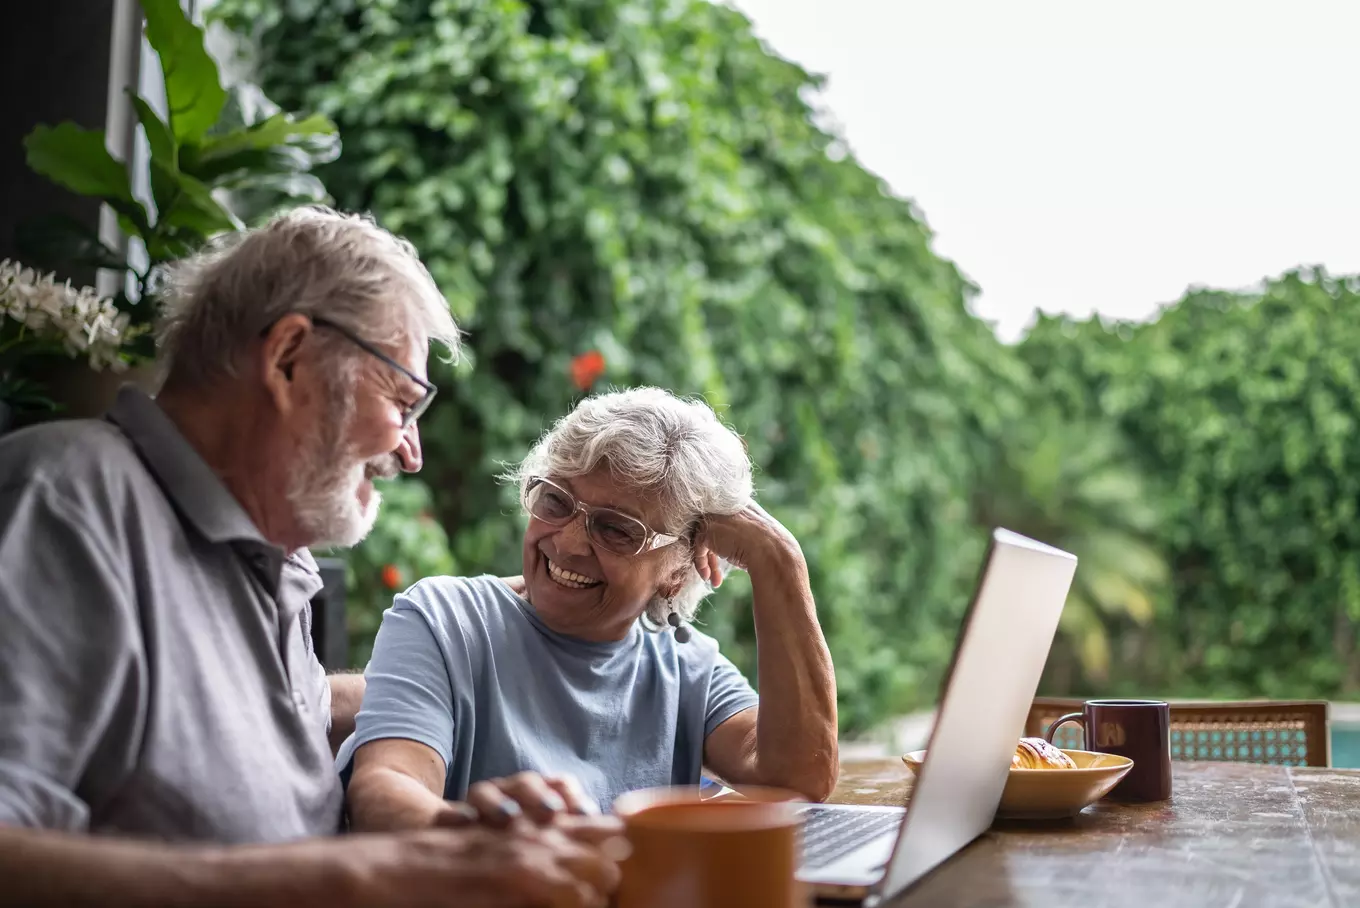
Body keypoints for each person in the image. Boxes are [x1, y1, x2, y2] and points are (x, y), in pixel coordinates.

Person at [0, 206, 625, 907]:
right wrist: (358, 876)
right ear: (289, 358)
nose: (409, 453)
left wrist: (459, 836)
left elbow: (246, 721)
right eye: (401, 400)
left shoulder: (270, 557)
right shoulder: (63, 504)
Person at [341, 387, 840, 831]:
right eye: (556, 502)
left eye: (617, 529)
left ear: (676, 571)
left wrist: (780, 561)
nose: (570, 542)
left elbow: (797, 776)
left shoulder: (688, 668)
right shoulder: (445, 620)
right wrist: (484, 840)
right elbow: (384, 793)